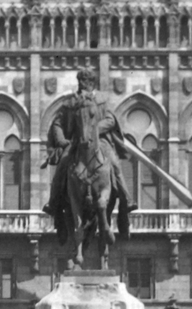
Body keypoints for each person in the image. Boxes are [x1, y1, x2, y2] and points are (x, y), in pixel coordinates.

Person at [42, 68, 135, 243]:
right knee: (63, 163)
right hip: (76, 142)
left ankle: (127, 199)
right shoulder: (70, 102)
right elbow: (57, 123)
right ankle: (53, 202)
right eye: (80, 82)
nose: (83, 85)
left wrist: (93, 130)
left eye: (86, 82)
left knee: (114, 163)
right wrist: (62, 141)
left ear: (92, 83)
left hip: (100, 141)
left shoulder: (102, 100)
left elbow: (110, 120)